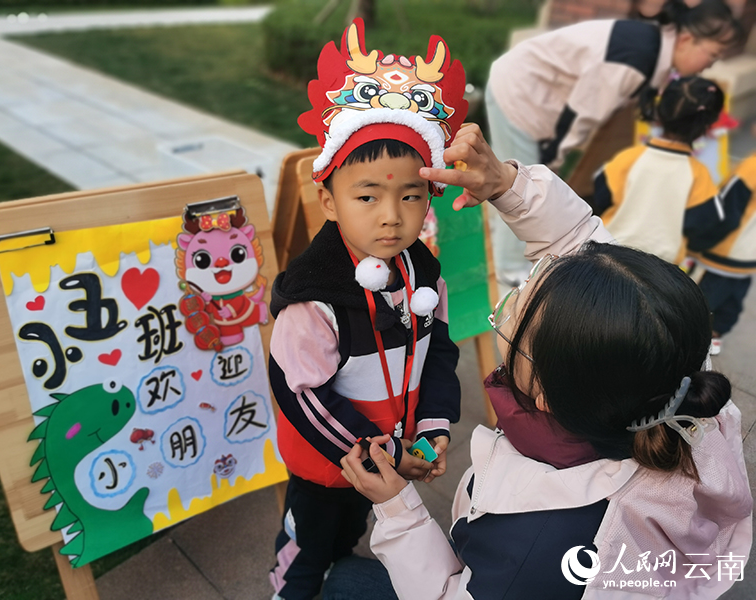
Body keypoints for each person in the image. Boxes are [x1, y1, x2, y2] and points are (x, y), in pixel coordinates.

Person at [326, 123, 752, 599]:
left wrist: (399, 511)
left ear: (547, 391)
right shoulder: (671, 381)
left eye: (518, 311)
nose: (510, 302)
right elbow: (585, 252)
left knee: (344, 580)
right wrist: (510, 187)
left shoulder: (540, 554)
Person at [268, 20, 466, 600]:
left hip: (388, 458)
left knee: (353, 531)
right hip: (333, 457)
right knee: (306, 545)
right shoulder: (313, 299)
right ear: (327, 199)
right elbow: (304, 394)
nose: (391, 215)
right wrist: (381, 453)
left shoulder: (420, 273)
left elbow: (439, 353)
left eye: (410, 195)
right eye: (367, 197)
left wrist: (431, 428)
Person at [485, 0, 742, 286]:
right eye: (712, 55)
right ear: (686, 40)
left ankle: (506, 252)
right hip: (520, 93)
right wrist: (548, 165)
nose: (709, 65)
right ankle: (511, 276)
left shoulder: (652, 47)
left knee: (523, 185)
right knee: (521, 187)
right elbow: (581, 115)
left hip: (535, 93)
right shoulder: (636, 57)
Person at [593, 76, 724, 264]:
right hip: (660, 268)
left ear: (660, 111)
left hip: (609, 253)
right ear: (708, 124)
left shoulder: (629, 158)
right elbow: (705, 222)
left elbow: (601, 197)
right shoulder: (698, 174)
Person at [685, 147, 756, 355]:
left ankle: (684, 339)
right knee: (733, 296)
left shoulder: (751, 168)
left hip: (722, 252)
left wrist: (697, 241)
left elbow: (724, 211)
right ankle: (716, 336)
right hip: (749, 256)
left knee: (697, 298)